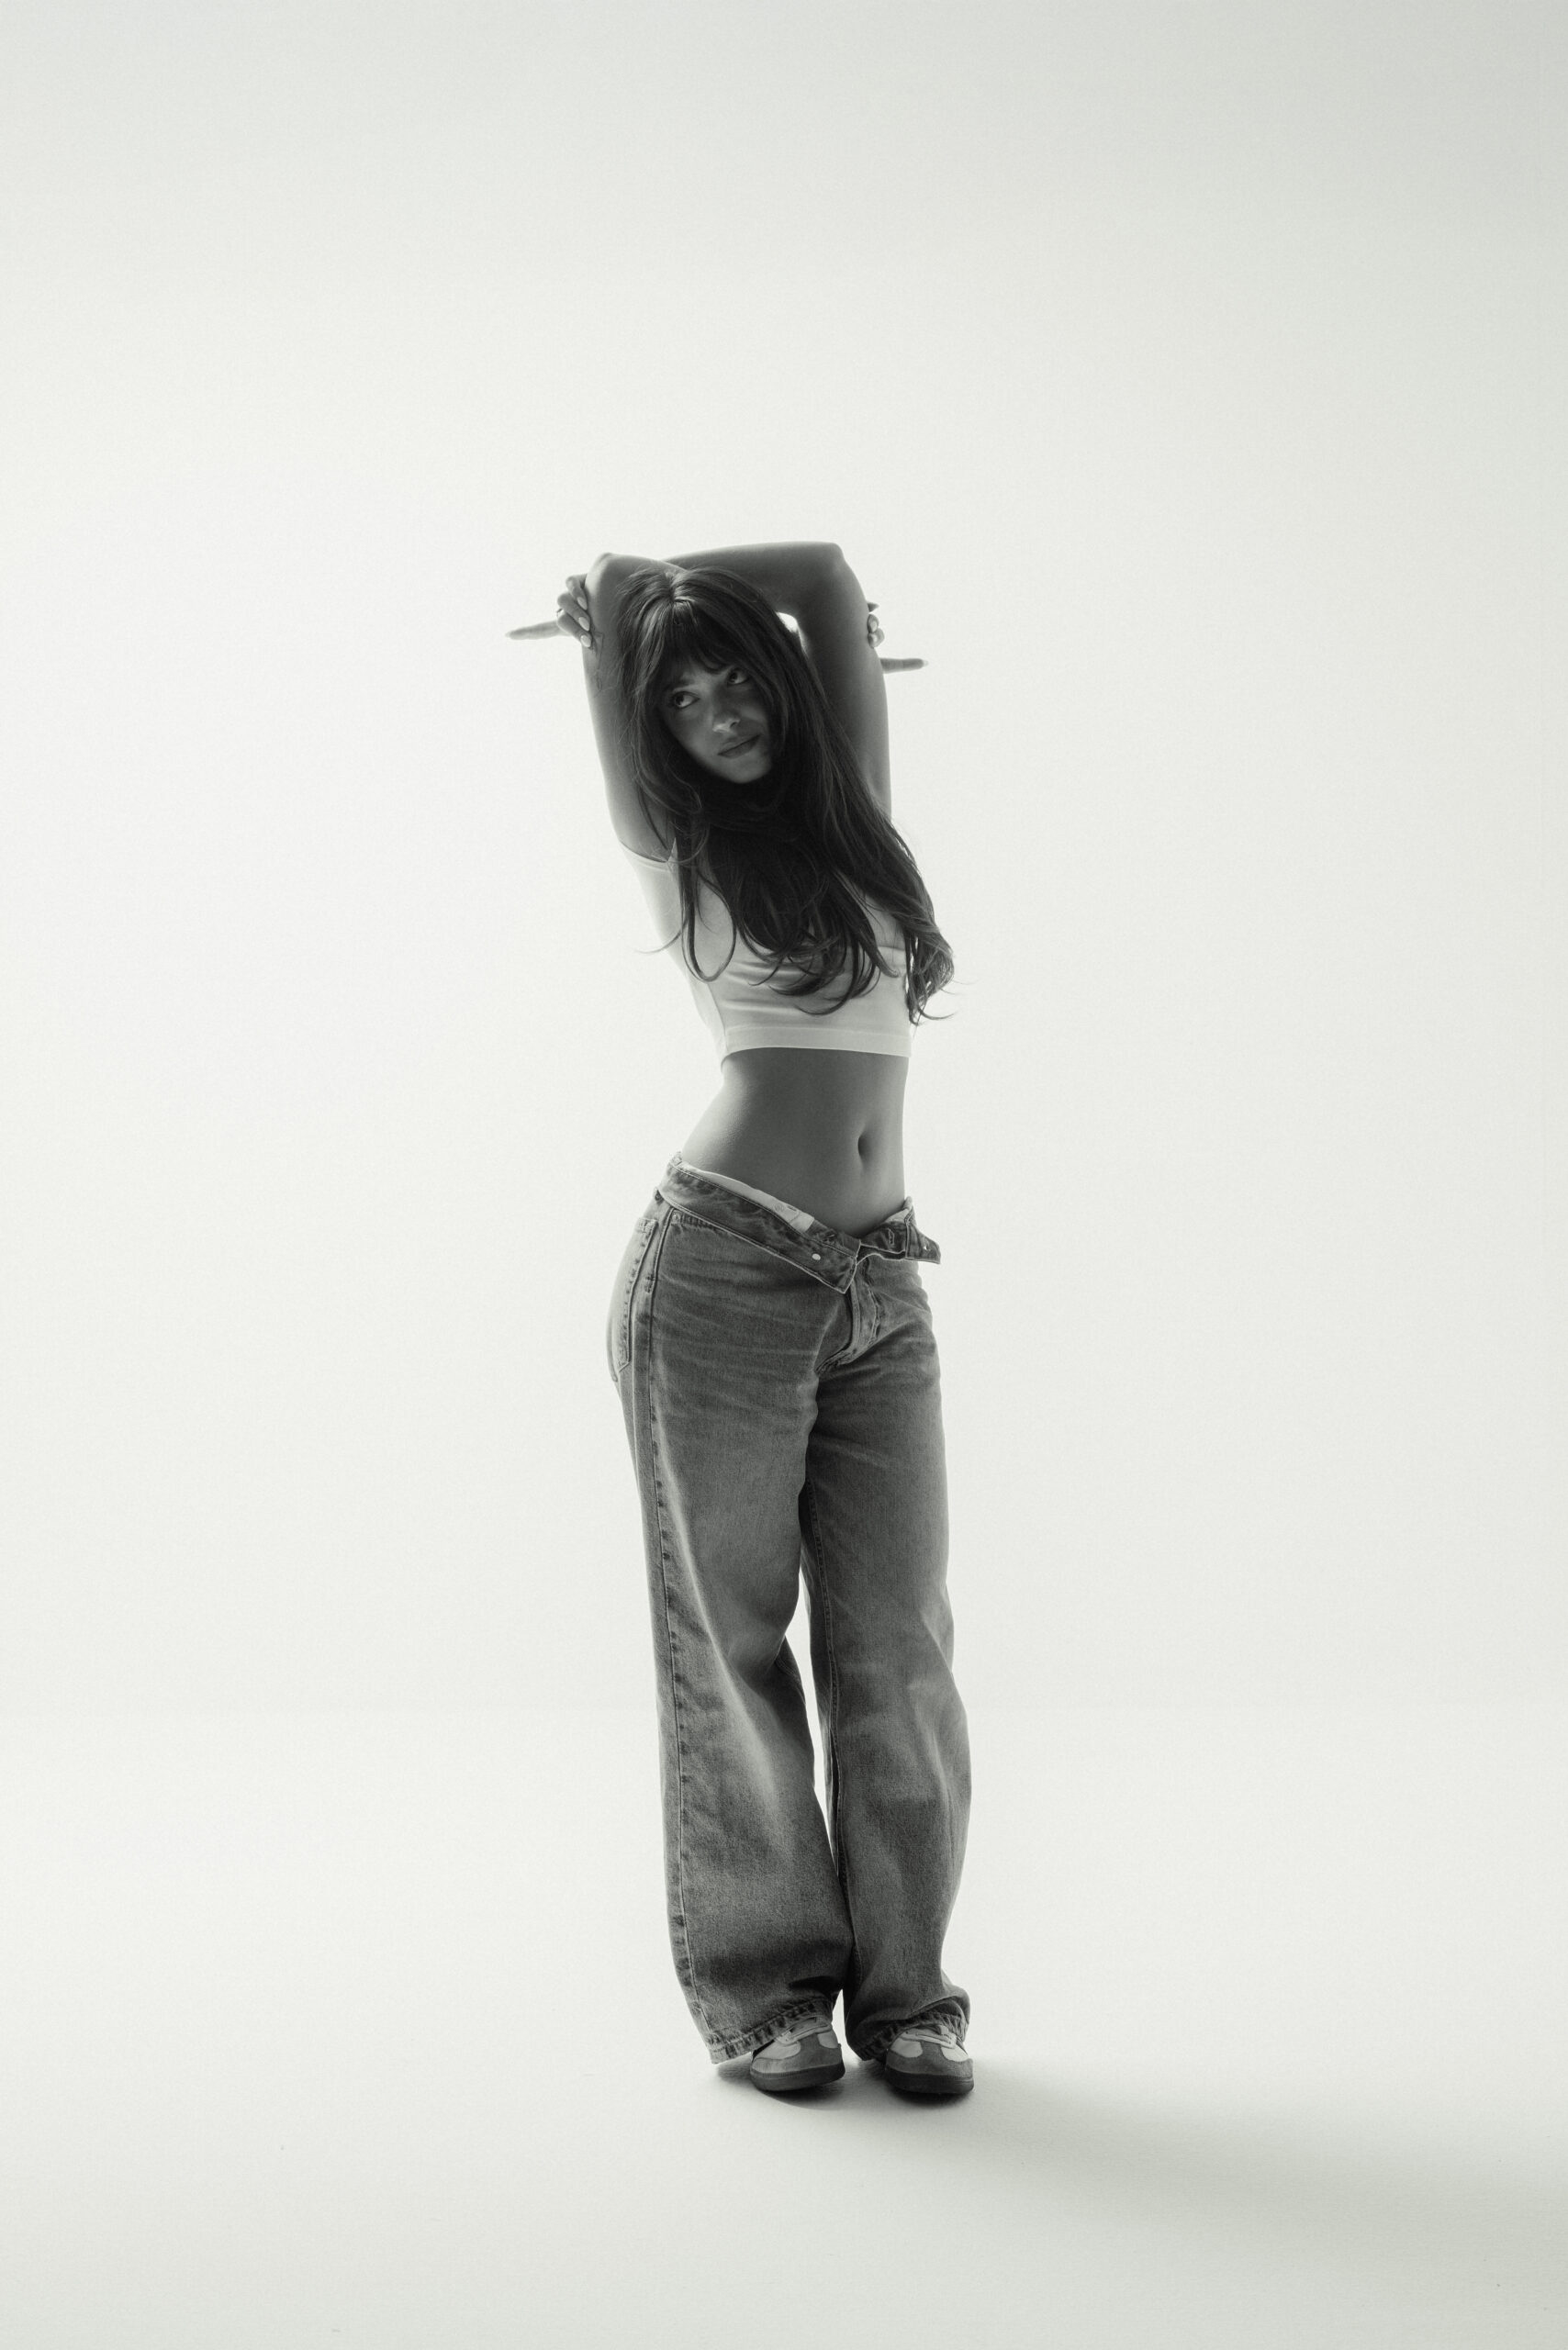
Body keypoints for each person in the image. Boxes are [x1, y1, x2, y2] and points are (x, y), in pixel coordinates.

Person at [558, 541, 971, 2098]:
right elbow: (615, 589)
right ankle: (767, 2000)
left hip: (884, 1284)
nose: (717, 714)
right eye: (682, 699)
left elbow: (826, 574)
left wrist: (712, 605)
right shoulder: (673, 838)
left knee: (898, 1647)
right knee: (728, 1646)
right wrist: (634, 615)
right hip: (723, 1270)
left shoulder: (856, 807)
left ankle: (911, 1996)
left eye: (738, 681)